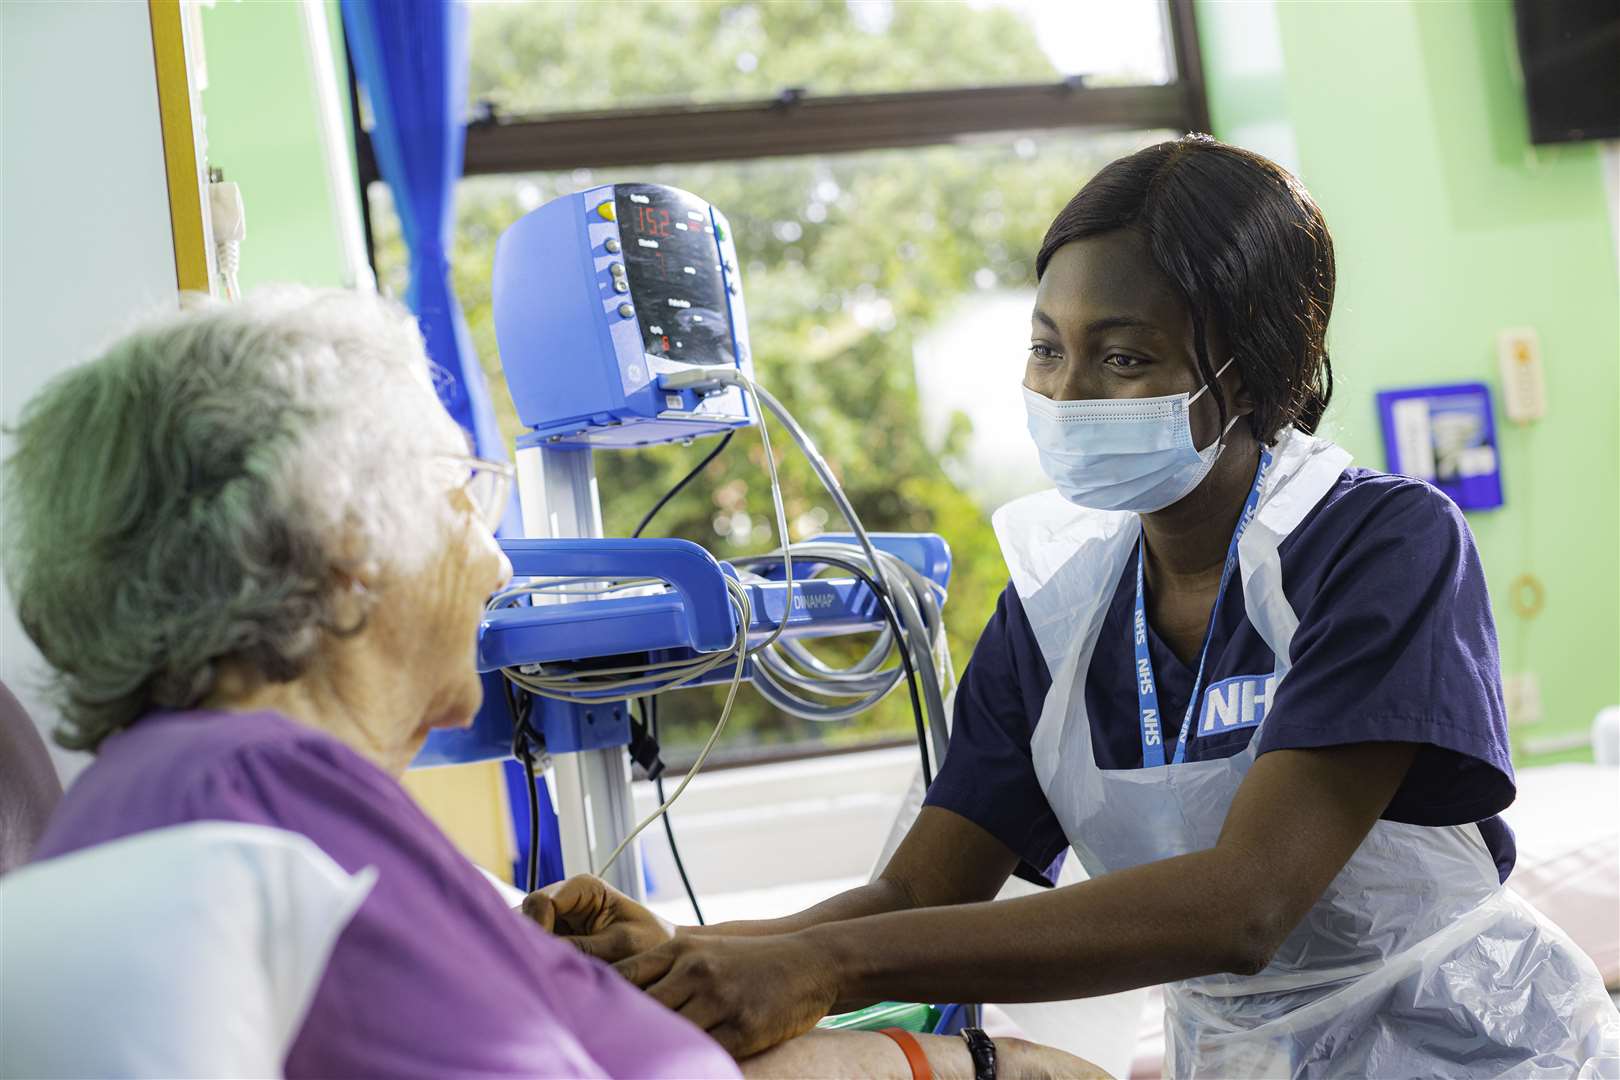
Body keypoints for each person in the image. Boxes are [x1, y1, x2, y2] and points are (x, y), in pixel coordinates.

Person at [535, 136, 1620, 1078]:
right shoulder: (1058, 606)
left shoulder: (1378, 545)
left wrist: (820, 966)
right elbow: (919, 889)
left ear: (1246, 372)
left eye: (1124, 357)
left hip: (1470, 1052)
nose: (1065, 395)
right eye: (1047, 348)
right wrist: (689, 957)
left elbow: (1245, 905)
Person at [5, 289, 1094, 1080]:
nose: (499, 558)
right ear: (345, 542)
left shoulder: (201, 789)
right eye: (462, 494)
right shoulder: (262, 796)